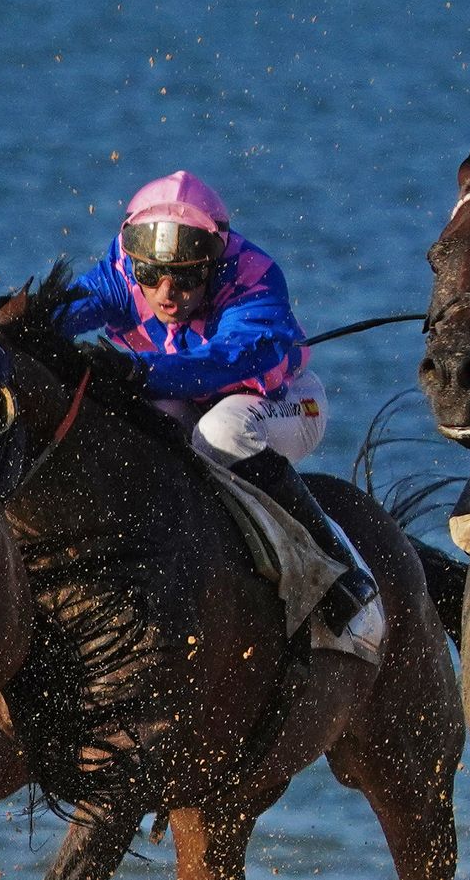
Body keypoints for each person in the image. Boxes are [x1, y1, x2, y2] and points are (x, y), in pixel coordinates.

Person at [56, 170, 374, 634]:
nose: (165, 294)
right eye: (150, 274)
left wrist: (137, 372)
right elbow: (69, 307)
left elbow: (225, 361)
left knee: (220, 432)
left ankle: (334, 569)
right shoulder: (123, 266)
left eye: (184, 279)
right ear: (134, 260)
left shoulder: (253, 278)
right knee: (137, 424)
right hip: (181, 398)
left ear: (211, 265)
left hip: (282, 406)